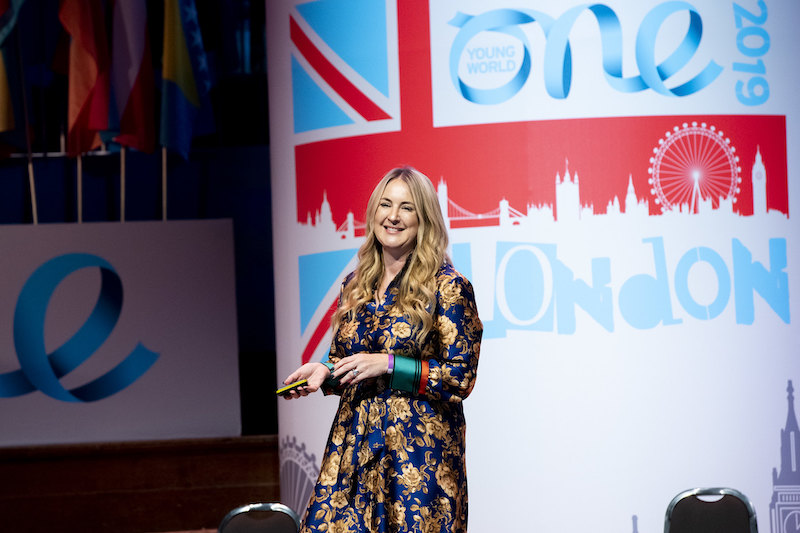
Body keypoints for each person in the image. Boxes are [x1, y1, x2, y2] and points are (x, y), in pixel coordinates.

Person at [281, 166, 483, 532]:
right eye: (386, 205)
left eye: (406, 208)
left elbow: (460, 377)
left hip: (417, 459)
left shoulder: (449, 287)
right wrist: (325, 373)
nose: (393, 216)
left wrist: (390, 365)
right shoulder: (355, 285)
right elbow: (346, 360)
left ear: (424, 219)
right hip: (354, 448)